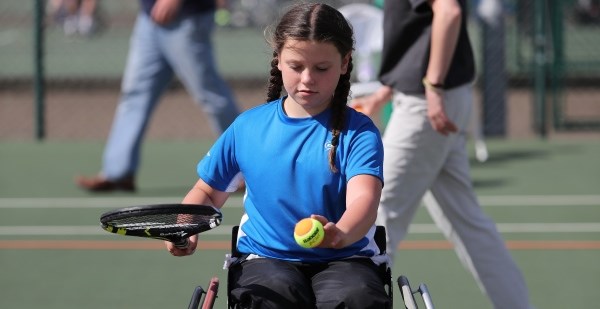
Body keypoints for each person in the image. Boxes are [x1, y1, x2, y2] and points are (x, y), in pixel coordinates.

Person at [165, 3, 391, 308]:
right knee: (269, 296)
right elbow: (207, 191)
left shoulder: (359, 132)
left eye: (321, 68)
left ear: (345, 63)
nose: (308, 78)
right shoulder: (248, 127)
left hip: (347, 257)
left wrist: (338, 234)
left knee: (355, 298)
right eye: (297, 66)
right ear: (279, 61)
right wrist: (186, 224)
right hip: (265, 258)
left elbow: (364, 200)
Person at [351, 0, 533, 308]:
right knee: (469, 223)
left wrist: (433, 87)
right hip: (436, 98)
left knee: (375, 216)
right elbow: (418, 32)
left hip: (427, 105)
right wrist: (387, 91)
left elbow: (448, 11)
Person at [76, 0, 240, 192]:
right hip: (148, 19)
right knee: (134, 95)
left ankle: (246, 167)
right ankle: (117, 172)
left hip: (187, 19)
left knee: (211, 96)